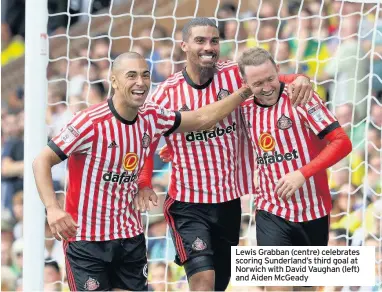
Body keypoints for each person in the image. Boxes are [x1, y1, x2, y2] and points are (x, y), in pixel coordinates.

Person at [32, 51, 254, 291]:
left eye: (145, 75)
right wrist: (53, 208)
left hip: (130, 236)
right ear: (114, 81)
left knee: (278, 280)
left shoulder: (152, 116)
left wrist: (246, 91)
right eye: (131, 76)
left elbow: (201, 117)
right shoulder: (89, 122)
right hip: (87, 240)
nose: (140, 82)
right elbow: (41, 161)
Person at [136, 18, 313, 291]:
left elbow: (270, 81)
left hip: (229, 201)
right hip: (188, 203)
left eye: (214, 41)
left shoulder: (233, 74)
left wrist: (299, 78)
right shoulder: (166, 94)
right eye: (200, 41)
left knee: (219, 283)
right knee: (203, 281)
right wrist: (145, 180)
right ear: (184, 46)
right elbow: (146, 139)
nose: (209, 47)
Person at [238, 47, 352, 291]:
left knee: (306, 288)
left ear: (278, 71)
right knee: (276, 284)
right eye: (258, 83)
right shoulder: (242, 108)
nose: (267, 87)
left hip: (313, 209)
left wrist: (302, 173)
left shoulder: (301, 97)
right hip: (271, 209)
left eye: (271, 79)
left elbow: (342, 142)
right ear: (245, 83)